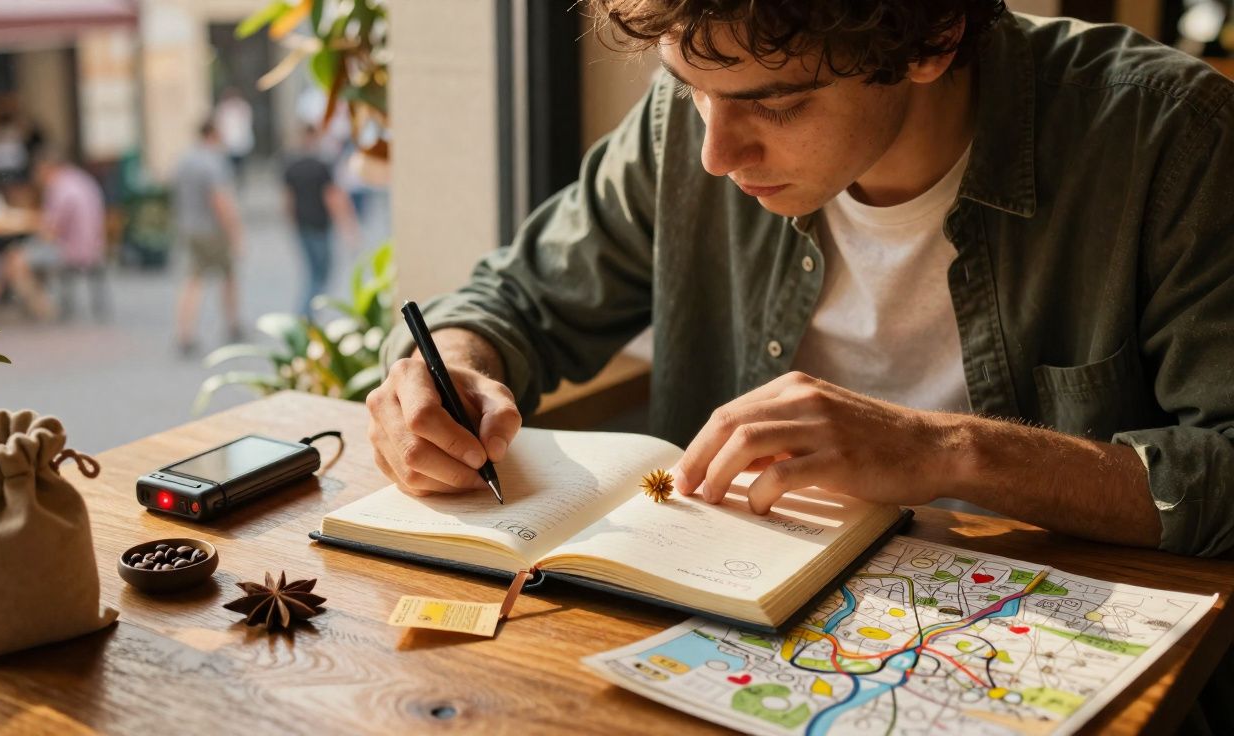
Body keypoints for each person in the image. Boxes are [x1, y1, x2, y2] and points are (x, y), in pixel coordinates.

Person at [368, 0, 1234, 563]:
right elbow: (511, 300)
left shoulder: (1168, 142)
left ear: (934, 37)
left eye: (777, 106)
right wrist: (445, 367)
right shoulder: (692, 124)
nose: (715, 153)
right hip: (729, 640)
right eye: (690, 91)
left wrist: (942, 450)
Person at [171, 120, 244, 356]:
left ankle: (185, 333)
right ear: (214, 133)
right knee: (228, 276)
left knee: (193, 280)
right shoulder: (213, 162)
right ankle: (232, 324)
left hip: (189, 227)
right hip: (213, 230)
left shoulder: (185, 160)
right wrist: (235, 233)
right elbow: (220, 200)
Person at [282, 124, 357, 316]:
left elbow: (287, 201)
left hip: (303, 226)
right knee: (319, 274)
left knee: (313, 273)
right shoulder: (322, 166)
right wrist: (348, 227)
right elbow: (332, 198)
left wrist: (292, 225)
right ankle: (306, 315)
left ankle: (307, 314)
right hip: (319, 226)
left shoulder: (292, 165)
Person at [29, 149, 110, 320]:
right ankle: (46, 306)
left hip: (71, 252)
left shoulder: (59, 188)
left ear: (46, 168)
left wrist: (34, 227)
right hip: (95, 248)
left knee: (15, 261)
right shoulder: (83, 180)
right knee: (27, 255)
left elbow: (50, 231)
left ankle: (44, 310)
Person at [214, 87, 255, 186]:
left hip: (241, 142)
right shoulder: (223, 109)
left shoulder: (242, 107)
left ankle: (240, 182)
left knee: (240, 165)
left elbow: (246, 124)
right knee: (229, 165)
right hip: (229, 143)